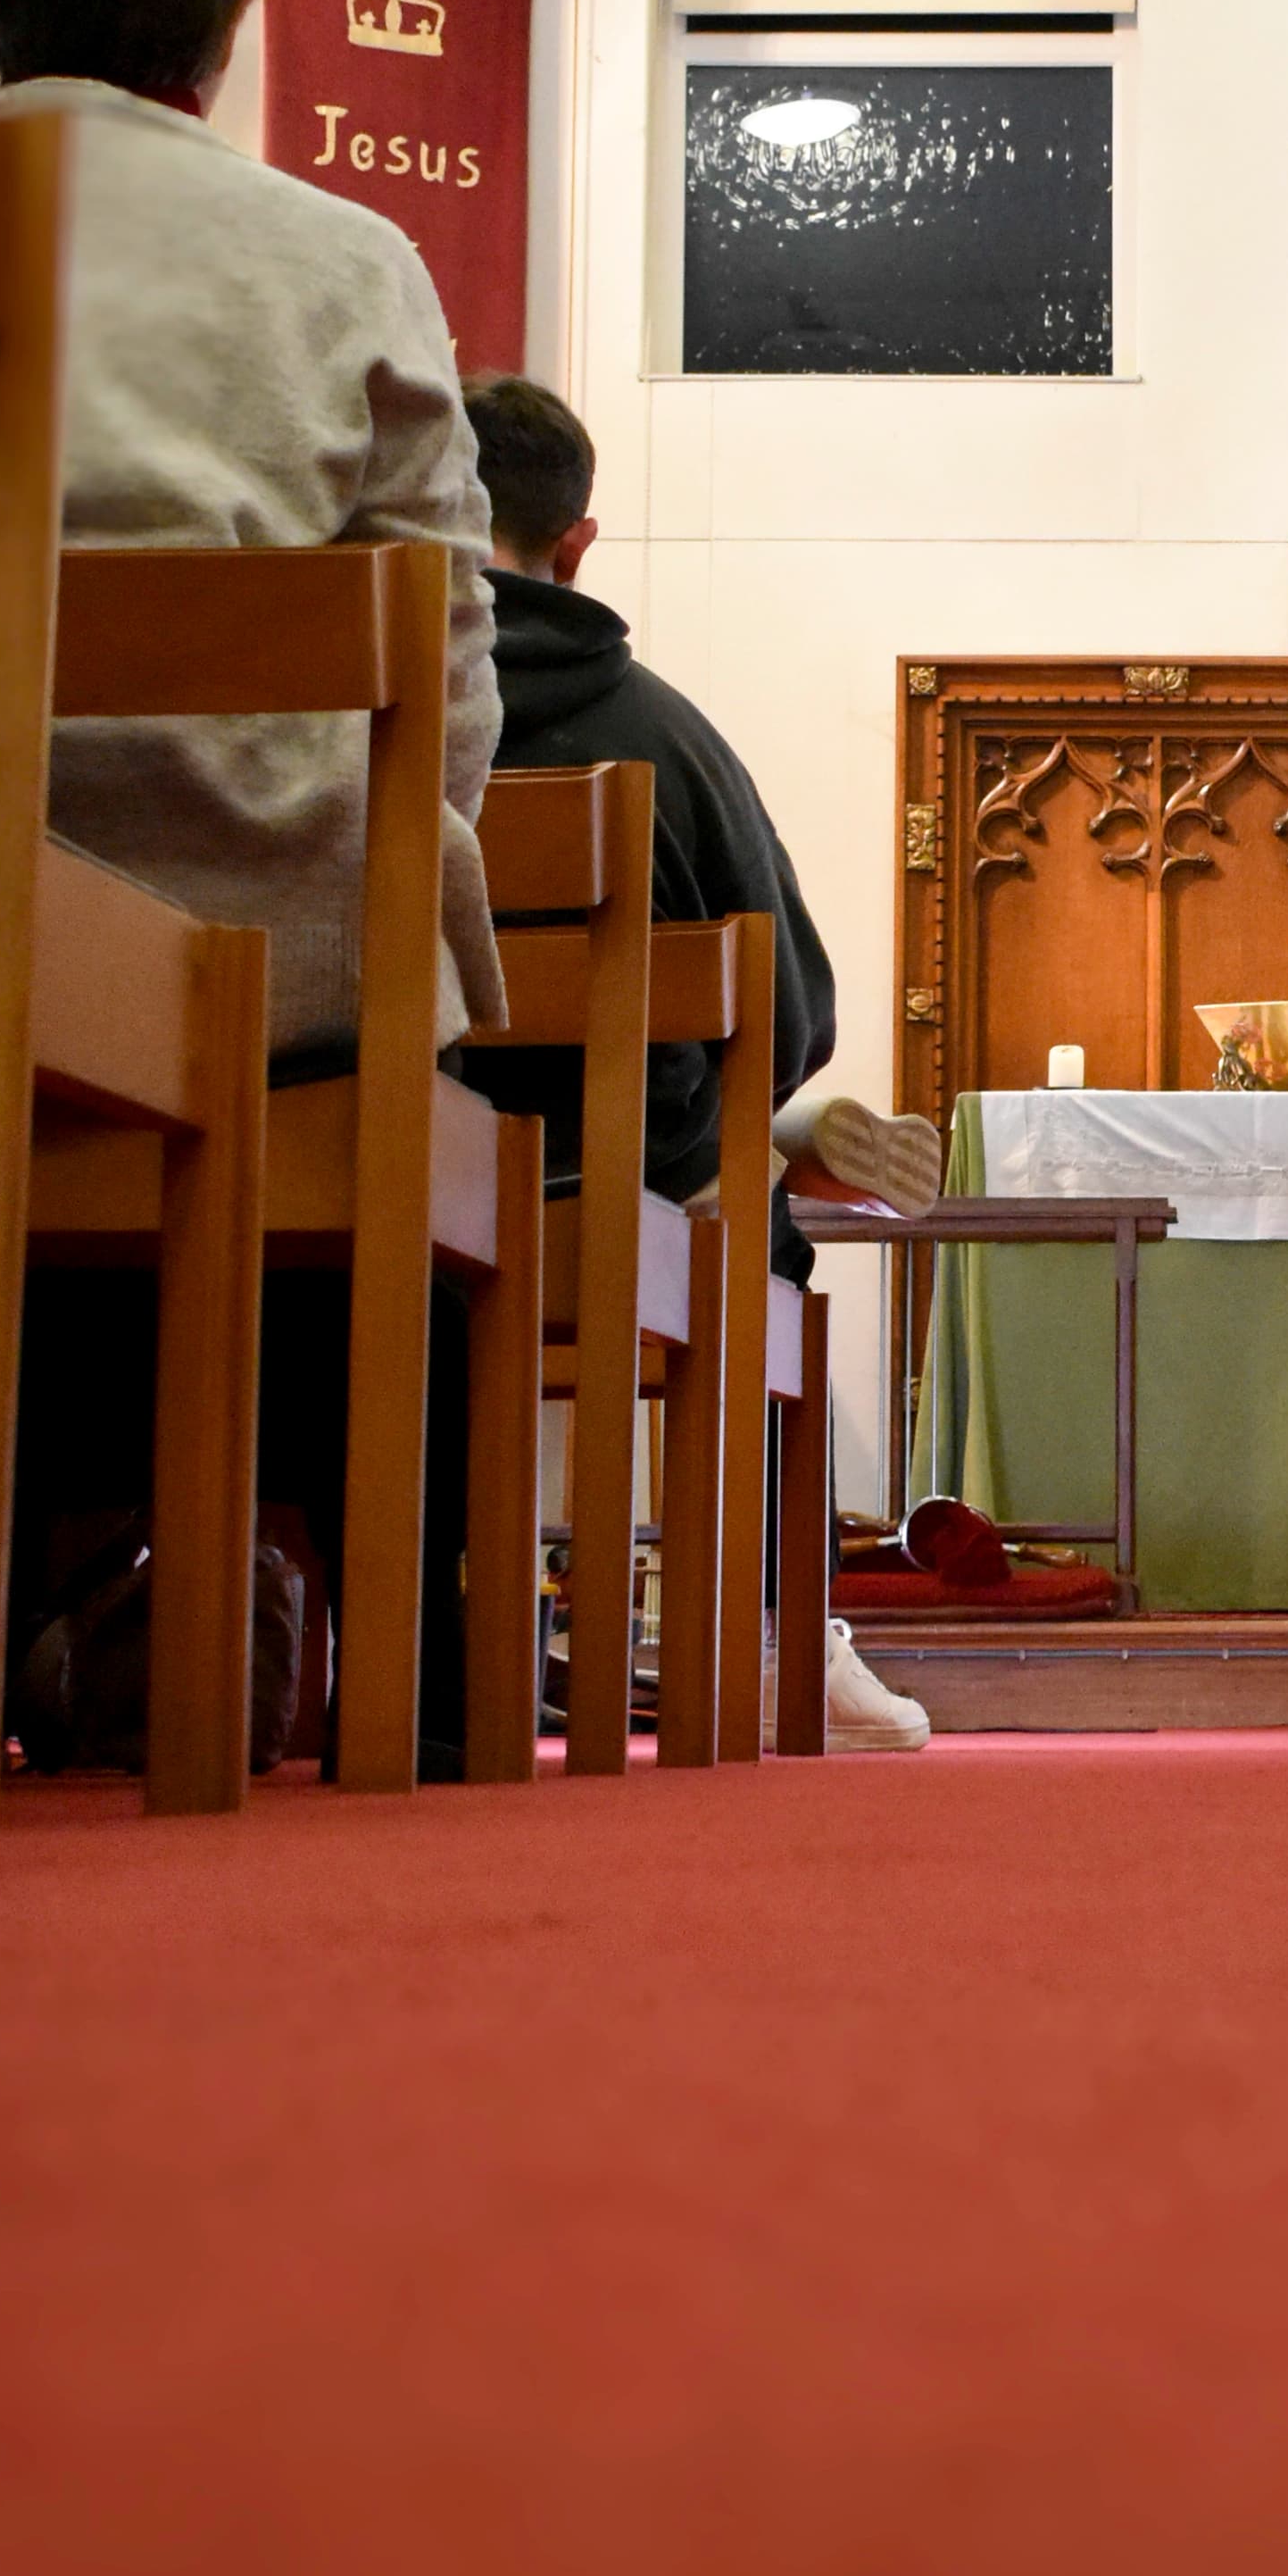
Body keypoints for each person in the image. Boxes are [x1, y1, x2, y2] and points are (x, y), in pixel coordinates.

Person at [0, 0, 503, 1771]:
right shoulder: (342, 256)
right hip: (249, 978)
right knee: (387, 949)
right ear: (233, 7)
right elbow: (445, 682)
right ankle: (351, 1622)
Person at [460, 371, 943, 1752]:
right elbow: (793, 1018)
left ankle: (354, 1609)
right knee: (753, 1213)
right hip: (620, 1206)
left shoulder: (344, 707)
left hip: (380, 1184)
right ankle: (786, 1633)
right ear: (576, 544)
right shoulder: (669, 737)